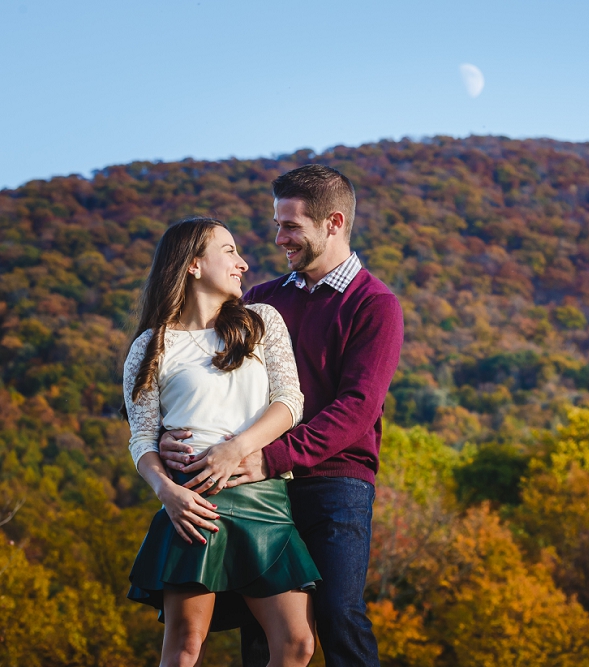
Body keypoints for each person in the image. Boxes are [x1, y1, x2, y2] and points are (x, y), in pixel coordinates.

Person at [160, 165, 405, 667]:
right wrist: (167, 439)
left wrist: (269, 456)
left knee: (340, 614)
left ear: (333, 223)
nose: (278, 238)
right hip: (258, 485)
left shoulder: (374, 305)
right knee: (262, 631)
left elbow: (357, 410)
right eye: (277, 224)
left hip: (334, 482)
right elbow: (206, 379)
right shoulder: (259, 302)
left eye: (291, 226)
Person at [123, 217, 320, 667]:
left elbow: (291, 402)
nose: (243, 264)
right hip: (195, 505)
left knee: (296, 644)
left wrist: (238, 449)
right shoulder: (152, 344)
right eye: (229, 251)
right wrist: (167, 492)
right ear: (193, 265)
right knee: (186, 647)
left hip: (262, 499)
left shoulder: (261, 321)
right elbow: (143, 438)